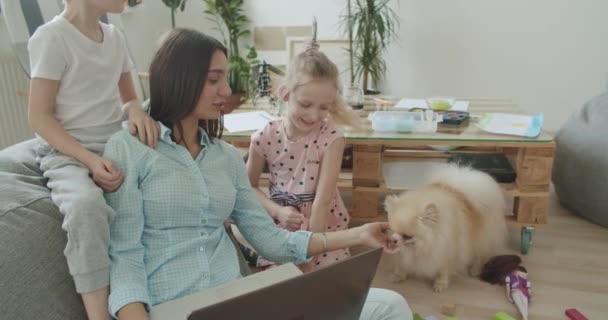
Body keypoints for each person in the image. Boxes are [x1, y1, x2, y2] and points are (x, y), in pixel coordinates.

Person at [103, 28, 412, 320]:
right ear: (179, 78)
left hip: (240, 302)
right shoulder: (130, 149)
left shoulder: (225, 157)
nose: (226, 90)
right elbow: (125, 256)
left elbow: (272, 241)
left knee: (390, 306)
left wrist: (358, 234)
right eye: (214, 80)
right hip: (173, 307)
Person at [27, 0, 159, 319]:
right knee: (86, 208)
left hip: (115, 144)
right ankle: (98, 314)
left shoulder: (114, 37)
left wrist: (138, 110)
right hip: (67, 152)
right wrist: (88, 160)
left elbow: (128, 99)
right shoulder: (52, 38)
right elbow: (39, 117)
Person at [246, 38, 361, 271]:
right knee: (280, 284)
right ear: (285, 94)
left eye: (324, 107)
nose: (314, 115)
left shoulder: (332, 138)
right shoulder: (263, 137)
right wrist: (277, 211)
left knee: (325, 279)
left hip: (322, 226)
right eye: (305, 104)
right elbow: (248, 186)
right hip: (281, 222)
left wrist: (310, 254)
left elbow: (322, 201)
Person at [480, 255, 532, 320]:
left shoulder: (520, 279)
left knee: (523, 305)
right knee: (522, 306)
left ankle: (525, 317)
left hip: (520, 292)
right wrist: (509, 296)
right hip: (515, 292)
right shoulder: (510, 279)